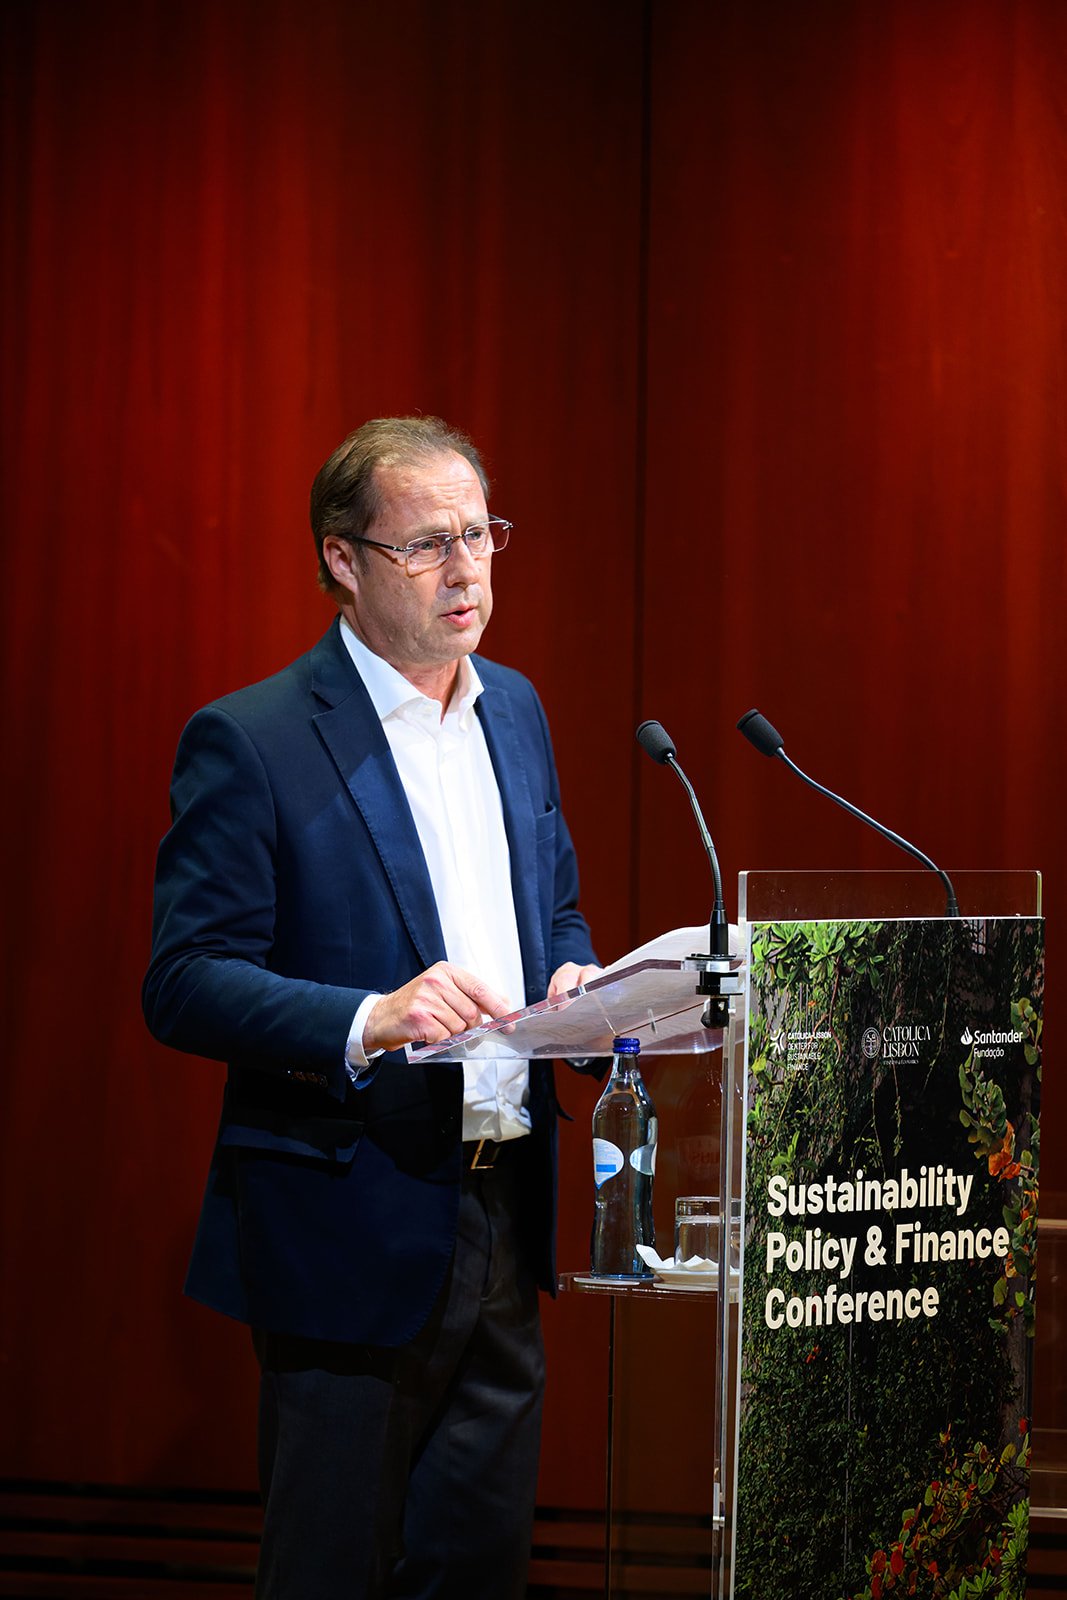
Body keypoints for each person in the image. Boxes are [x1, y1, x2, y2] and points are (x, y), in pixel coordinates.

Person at [142, 416, 601, 1600]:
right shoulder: (253, 740)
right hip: (346, 1217)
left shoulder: (516, 710)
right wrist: (369, 1016)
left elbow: (551, 908)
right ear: (342, 560)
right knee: (331, 1570)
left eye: (481, 536)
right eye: (425, 547)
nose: (465, 573)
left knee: (476, 1568)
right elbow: (184, 980)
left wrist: (572, 981)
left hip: (503, 1204)